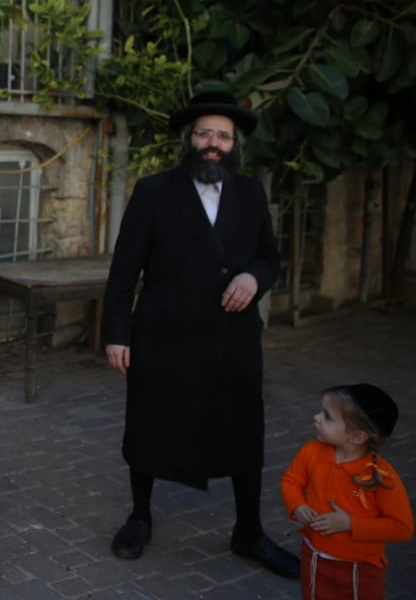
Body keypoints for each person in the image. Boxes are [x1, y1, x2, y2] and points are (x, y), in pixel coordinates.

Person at [102, 91, 299, 578]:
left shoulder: (251, 193)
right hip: (164, 335)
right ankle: (140, 517)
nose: (213, 143)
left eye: (223, 136)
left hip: (232, 338)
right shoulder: (153, 191)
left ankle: (248, 531)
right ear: (189, 139)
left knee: (243, 431)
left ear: (235, 144)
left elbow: (269, 257)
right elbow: (124, 271)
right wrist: (117, 334)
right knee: (150, 424)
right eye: (205, 133)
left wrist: (254, 277)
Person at [281, 384, 413, 599]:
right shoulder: (311, 452)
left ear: (357, 437)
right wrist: (298, 506)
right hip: (314, 556)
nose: (316, 418)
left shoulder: (381, 476)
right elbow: (291, 481)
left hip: (361, 569)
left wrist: (349, 523)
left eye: (327, 416)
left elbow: (402, 528)